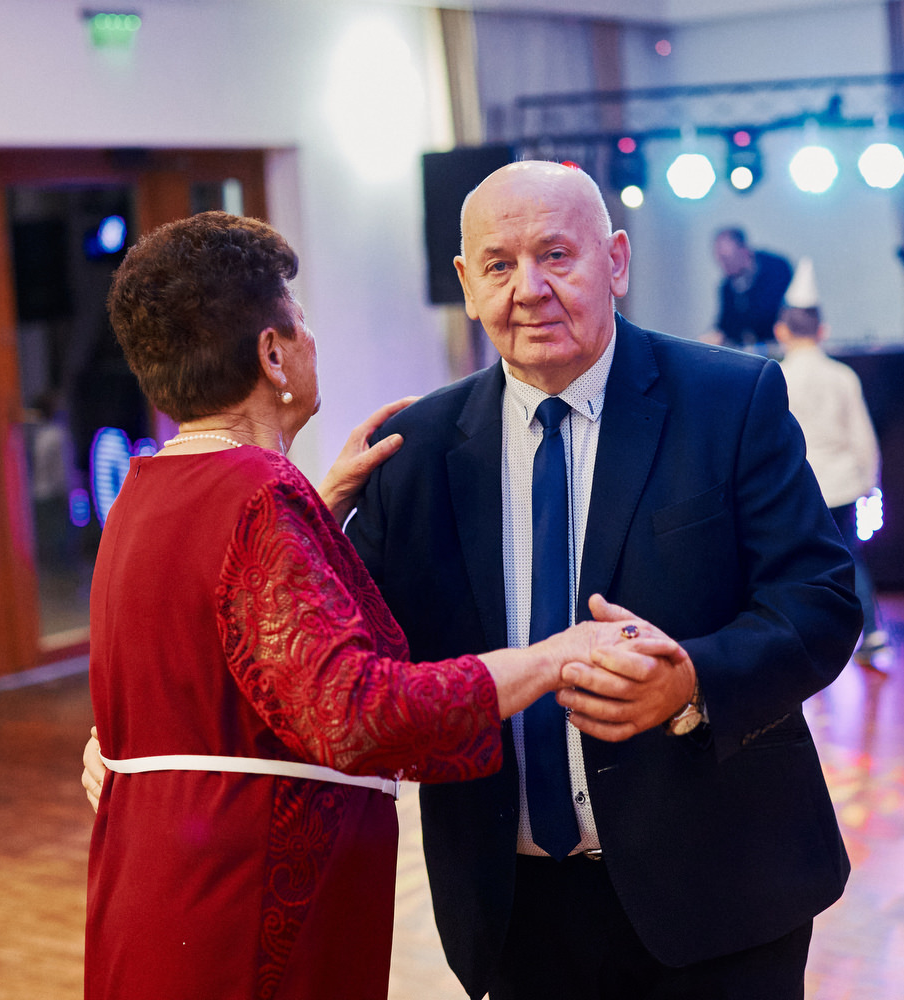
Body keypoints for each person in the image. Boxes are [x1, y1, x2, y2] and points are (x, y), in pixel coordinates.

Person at [79, 211, 679, 1000]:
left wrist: (314, 517)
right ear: (272, 353)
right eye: (300, 324)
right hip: (243, 903)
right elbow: (357, 715)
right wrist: (551, 656)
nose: (311, 340)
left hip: (160, 881)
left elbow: (212, 630)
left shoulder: (150, 487)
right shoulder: (258, 496)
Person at [343, 162, 861, 999]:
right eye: (500, 265)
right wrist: (308, 514)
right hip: (516, 910)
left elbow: (821, 602)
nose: (530, 289)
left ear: (615, 261)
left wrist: (693, 681)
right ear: (468, 284)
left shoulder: (730, 400)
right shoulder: (416, 450)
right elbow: (345, 662)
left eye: (556, 255)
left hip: (720, 892)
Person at [774, 260, 888, 669]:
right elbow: (862, 436)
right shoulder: (842, 377)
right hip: (842, 486)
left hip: (799, 488)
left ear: (781, 331)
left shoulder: (777, 376)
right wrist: (871, 480)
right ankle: (872, 633)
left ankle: (803, 642)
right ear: (822, 330)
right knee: (850, 559)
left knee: (796, 566)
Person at [706, 226, 793, 350]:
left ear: (744, 251)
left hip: (781, 345)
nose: (723, 266)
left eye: (727, 259)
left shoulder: (777, 269)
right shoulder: (727, 287)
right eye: (720, 260)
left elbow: (767, 312)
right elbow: (725, 323)